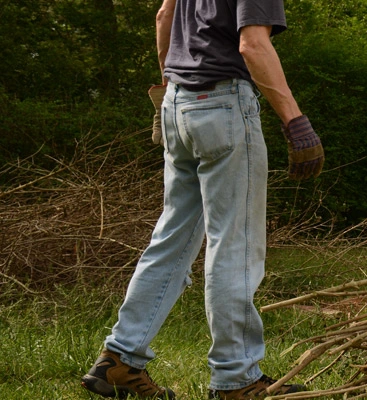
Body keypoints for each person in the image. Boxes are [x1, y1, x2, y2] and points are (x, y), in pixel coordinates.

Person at [80, 0, 323, 398]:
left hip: (176, 101)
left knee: (171, 239)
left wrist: (168, 93)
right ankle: (236, 379)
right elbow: (252, 45)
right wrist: (295, 120)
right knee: (234, 245)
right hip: (223, 105)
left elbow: (164, 17)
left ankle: (119, 359)